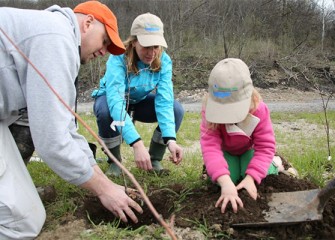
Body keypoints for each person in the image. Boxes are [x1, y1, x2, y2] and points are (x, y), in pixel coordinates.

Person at [0, 1, 142, 239]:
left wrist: (101, 178)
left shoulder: (53, 32)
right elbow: (52, 140)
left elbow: (66, 128)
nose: (103, 52)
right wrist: (103, 189)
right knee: (23, 223)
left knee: (26, 208)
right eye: (105, 41)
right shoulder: (56, 39)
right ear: (87, 23)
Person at [92, 13, 184, 177]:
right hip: (113, 101)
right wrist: (136, 143)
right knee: (105, 111)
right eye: (146, 46)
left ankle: (154, 159)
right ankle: (115, 161)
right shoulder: (118, 57)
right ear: (134, 42)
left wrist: (171, 139)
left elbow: (164, 101)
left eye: (156, 46)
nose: (151, 53)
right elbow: (115, 102)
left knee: (176, 109)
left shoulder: (164, 61)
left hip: (139, 102)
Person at [200, 58, 285, 214]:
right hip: (227, 152)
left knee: (260, 173)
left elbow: (264, 146)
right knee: (225, 179)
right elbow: (210, 148)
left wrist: (251, 178)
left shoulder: (259, 110)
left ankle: (277, 163)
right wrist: (225, 182)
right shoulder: (209, 111)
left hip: (250, 151)